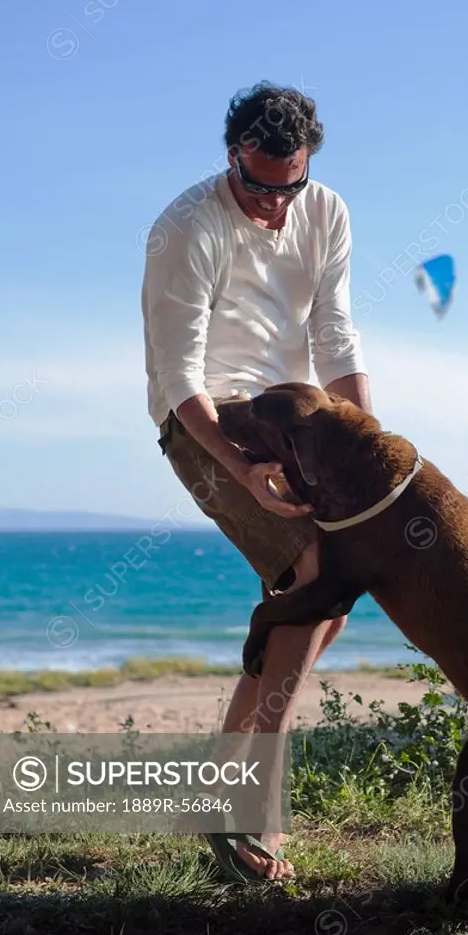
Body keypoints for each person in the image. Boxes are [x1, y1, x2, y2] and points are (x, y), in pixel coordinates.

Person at [141, 81, 372, 882]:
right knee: (312, 574)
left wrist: (366, 444)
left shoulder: (326, 210)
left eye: (289, 187)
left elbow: (334, 331)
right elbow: (178, 377)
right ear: (230, 155)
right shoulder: (186, 228)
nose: (274, 206)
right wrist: (242, 468)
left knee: (325, 598)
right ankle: (250, 802)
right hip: (203, 416)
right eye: (257, 186)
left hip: (293, 413)